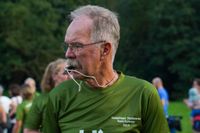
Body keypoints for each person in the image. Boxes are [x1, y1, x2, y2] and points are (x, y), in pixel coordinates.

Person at [43, 5, 169, 133]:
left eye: (77, 45)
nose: (68, 54)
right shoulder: (59, 96)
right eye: (68, 46)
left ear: (105, 50)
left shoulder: (143, 94)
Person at [24, 58, 69, 133]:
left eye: (72, 72)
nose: (70, 76)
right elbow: (28, 130)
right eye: (66, 72)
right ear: (54, 76)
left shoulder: (77, 96)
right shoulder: (42, 100)